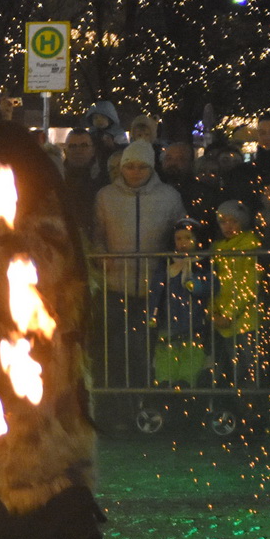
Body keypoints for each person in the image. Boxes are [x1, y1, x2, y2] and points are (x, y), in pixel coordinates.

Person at [0, 121, 104, 539]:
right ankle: (59, 534)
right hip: (55, 356)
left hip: (15, 362)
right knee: (52, 451)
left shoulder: (14, 231)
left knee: (13, 457)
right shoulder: (50, 216)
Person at [92, 139, 185, 390]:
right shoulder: (106, 196)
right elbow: (97, 235)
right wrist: (101, 253)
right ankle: (117, 395)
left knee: (144, 345)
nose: (135, 172)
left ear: (152, 168)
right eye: (129, 166)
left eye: (142, 167)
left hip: (152, 287)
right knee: (115, 346)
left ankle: (143, 393)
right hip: (115, 285)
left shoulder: (169, 196)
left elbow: (181, 232)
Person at [150, 219, 211, 388]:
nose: (183, 243)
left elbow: (211, 284)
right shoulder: (168, 264)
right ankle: (164, 382)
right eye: (179, 238)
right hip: (169, 321)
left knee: (191, 355)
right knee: (166, 355)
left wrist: (196, 285)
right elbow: (156, 290)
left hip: (194, 323)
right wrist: (152, 313)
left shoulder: (202, 263)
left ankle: (186, 383)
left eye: (188, 238)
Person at [210, 200, 262, 389]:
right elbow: (212, 283)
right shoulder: (216, 249)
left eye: (234, 221)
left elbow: (249, 285)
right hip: (223, 320)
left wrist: (229, 313)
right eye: (223, 221)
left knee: (248, 370)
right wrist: (213, 312)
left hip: (245, 320)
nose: (228, 226)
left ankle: (251, 404)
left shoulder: (250, 245)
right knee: (229, 371)